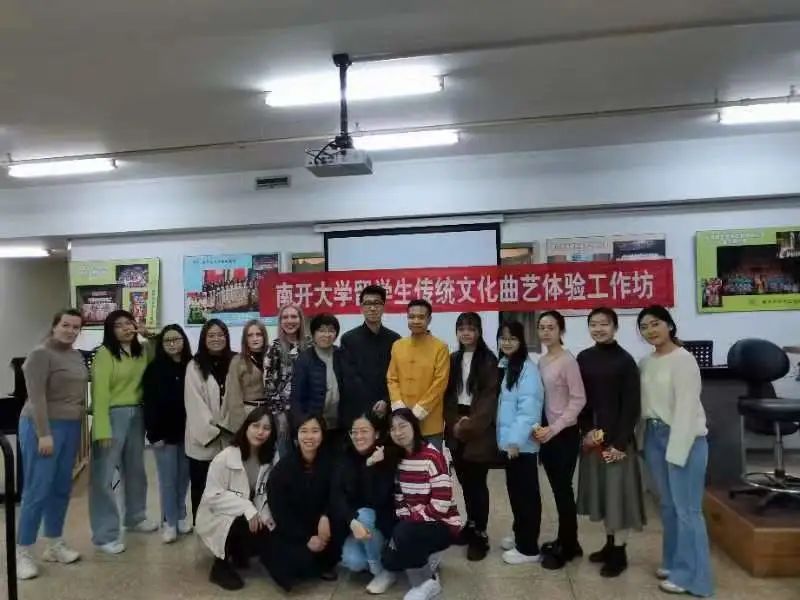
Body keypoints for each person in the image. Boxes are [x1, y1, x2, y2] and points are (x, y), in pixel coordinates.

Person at [638, 305, 713, 597]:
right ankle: (672, 563)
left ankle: (694, 579)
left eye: (655, 323)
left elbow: (686, 410)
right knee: (668, 507)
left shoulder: (684, 360)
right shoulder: (646, 362)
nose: (650, 330)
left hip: (684, 437)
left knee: (688, 511)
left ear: (669, 325)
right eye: (644, 327)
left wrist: (676, 452)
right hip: (654, 435)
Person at [16, 309, 88, 580]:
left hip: (70, 426)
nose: (70, 331)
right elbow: (36, 397)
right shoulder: (40, 354)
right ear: (54, 326)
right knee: (37, 489)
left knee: (60, 487)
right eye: (65, 325)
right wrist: (44, 434)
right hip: (42, 426)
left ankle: (54, 544)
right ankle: (23, 552)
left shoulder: (75, 355)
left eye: (76, 327)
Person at [576, 308, 646, 577]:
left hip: (618, 442)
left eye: (604, 324)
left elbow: (631, 406)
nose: (598, 329)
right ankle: (608, 544)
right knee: (604, 496)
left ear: (615, 327)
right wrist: (586, 431)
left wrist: (619, 443)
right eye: (593, 324)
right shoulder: (584, 358)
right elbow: (581, 400)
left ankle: (620, 552)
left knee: (619, 500)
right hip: (594, 440)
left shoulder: (625, 361)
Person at [89, 309, 158, 555]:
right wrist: (101, 429)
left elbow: (160, 356)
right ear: (110, 330)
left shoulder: (141, 351)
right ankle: (104, 534)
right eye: (119, 325)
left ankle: (135, 517)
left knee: (136, 470)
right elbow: (99, 393)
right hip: (111, 415)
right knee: (104, 477)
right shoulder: (104, 354)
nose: (126, 328)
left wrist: (149, 335)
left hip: (137, 414)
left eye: (129, 323)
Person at [380, 409, 461, 600]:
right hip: (415, 522)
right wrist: (406, 521)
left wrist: (409, 524)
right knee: (389, 560)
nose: (398, 432)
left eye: (402, 426)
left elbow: (441, 504)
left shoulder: (432, 456)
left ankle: (427, 583)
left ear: (414, 427)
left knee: (404, 534)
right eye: (393, 429)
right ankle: (426, 555)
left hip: (442, 524)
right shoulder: (399, 458)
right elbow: (399, 497)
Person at [196, 406, 279, 591]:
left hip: (249, 512)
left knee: (267, 532)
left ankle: (240, 551)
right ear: (246, 427)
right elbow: (213, 497)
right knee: (235, 519)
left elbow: (266, 492)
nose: (260, 432)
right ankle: (220, 565)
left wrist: (265, 516)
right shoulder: (225, 458)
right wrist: (247, 508)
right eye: (255, 426)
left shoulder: (271, 458)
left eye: (266, 428)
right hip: (217, 515)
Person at [531, 310, 586, 570]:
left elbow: (578, 399)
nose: (546, 332)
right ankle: (569, 540)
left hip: (564, 434)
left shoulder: (568, 361)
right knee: (558, 489)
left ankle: (568, 546)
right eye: (542, 327)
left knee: (563, 490)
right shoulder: (542, 361)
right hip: (547, 435)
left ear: (561, 331)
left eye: (551, 327)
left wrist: (555, 427)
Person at [443, 312, 499, 561]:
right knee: (465, 482)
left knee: (477, 484)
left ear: (479, 332)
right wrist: (453, 423)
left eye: (471, 328)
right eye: (462, 329)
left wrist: (468, 426)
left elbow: (488, 400)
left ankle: (480, 535)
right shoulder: (453, 359)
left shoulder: (488, 360)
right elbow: (447, 396)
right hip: (456, 423)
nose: (466, 333)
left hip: (478, 428)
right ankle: (470, 524)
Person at [265, 413, 341, 591]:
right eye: (304, 431)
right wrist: (306, 538)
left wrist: (326, 515)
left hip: (323, 526)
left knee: (332, 549)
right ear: (296, 435)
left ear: (323, 434)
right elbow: (280, 511)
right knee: (296, 564)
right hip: (294, 530)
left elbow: (337, 494)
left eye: (315, 431)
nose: (309, 436)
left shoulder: (332, 462)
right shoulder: (283, 469)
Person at [495, 320, 545, 566]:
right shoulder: (508, 366)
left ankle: (528, 548)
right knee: (516, 494)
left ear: (521, 341)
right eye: (503, 338)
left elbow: (528, 411)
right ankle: (520, 536)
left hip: (521, 446)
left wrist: (514, 441)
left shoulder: (527, 369)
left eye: (512, 338)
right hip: (512, 445)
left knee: (526, 496)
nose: (507, 342)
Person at [332, 412, 397, 594]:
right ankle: (379, 556)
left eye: (364, 431)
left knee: (365, 515)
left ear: (376, 434)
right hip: (357, 524)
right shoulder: (345, 457)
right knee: (352, 561)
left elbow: (377, 499)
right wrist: (351, 521)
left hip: (382, 523)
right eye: (354, 432)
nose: (358, 436)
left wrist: (370, 466)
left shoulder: (386, 456)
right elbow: (337, 495)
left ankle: (381, 570)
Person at [142, 324, 193, 543]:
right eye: (167, 340)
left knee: (183, 478)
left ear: (184, 341)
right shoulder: (153, 369)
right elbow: (149, 404)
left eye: (176, 339)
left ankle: (181, 514)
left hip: (188, 434)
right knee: (167, 480)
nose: (172, 344)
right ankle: (169, 521)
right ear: (161, 344)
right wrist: (154, 435)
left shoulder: (192, 366)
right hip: (163, 435)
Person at [185, 319, 235, 525]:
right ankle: (203, 528)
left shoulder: (236, 361)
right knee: (203, 487)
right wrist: (214, 430)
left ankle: (227, 530)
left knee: (228, 489)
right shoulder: (194, 365)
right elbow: (194, 403)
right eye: (211, 335)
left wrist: (231, 426)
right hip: (204, 439)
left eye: (220, 335)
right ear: (204, 339)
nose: (216, 339)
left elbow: (238, 399)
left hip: (231, 438)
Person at [290, 312, 365, 446]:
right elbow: (297, 398)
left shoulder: (342, 355)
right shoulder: (304, 359)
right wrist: (301, 426)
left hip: (341, 424)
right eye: (322, 330)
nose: (327, 335)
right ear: (313, 333)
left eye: (331, 330)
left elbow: (353, 388)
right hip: (314, 425)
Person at [387, 299, 450, 449]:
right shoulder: (398, 346)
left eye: (421, 317)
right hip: (401, 422)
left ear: (429, 319)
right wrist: (399, 407)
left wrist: (418, 411)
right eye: (411, 317)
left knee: (431, 462)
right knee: (402, 462)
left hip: (430, 423)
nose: (416, 321)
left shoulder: (440, 347)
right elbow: (392, 378)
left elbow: (440, 383)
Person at [340, 285, 401, 418]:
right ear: (361, 308)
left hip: (387, 411)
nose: (372, 308)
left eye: (377, 303)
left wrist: (386, 401)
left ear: (384, 307)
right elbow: (349, 378)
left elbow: (397, 376)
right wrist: (371, 404)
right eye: (367, 304)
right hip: (358, 412)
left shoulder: (395, 340)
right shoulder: (348, 339)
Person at [264, 304, 310, 454]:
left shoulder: (310, 345)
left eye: (294, 316)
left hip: (308, 411)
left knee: (308, 454)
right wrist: (280, 414)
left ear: (301, 320)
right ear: (280, 322)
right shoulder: (274, 348)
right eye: (285, 317)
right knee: (287, 457)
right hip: (283, 413)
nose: (290, 321)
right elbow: (269, 384)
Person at [222, 319, 268, 432]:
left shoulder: (272, 356)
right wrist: (239, 425)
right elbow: (234, 397)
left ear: (264, 336)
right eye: (250, 335)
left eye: (258, 334)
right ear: (245, 339)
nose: (255, 338)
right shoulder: (238, 361)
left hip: (269, 411)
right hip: (248, 412)